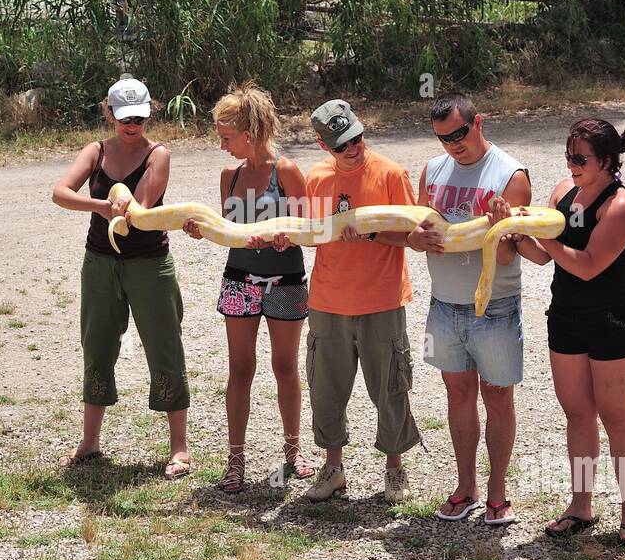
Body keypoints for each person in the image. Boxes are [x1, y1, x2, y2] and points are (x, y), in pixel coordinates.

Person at [51, 76, 192, 479]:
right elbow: (60, 192)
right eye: (125, 117)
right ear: (109, 112)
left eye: (140, 118)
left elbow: (143, 208)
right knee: (96, 346)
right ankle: (90, 443)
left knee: (164, 346)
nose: (133, 125)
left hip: (149, 264)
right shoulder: (95, 151)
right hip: (99, 264)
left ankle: (179, 448)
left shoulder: (158, 154)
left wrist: (122, 206)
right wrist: (101, 205)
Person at [514, 118, 625, 544]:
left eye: (580, 158)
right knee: (577, 415)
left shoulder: (621, 205)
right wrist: (510, 231)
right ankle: (581, 505)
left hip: (615, 320)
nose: (571, 164)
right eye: (568, 155)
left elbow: (587, 265)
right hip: (567, 316)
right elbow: (540, 256)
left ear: (607, 161)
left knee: (615, 416)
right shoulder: (561, 192)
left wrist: (543, 238)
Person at [182, 82, 314, 492]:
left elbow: (308, 230)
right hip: (239, 279)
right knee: (240, 369)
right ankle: (235, 460)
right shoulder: (230, 176)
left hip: (285, 280)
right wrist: (200, 231)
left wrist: (286, 237)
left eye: (226, 138)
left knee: (285, 367)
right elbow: (228, 230)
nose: (222, 146)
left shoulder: (287, 171)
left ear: (250, 133)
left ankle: (293, 452)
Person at [415, 93, 531, 524]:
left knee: (498, 397)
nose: (452, 145)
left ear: (478, 122)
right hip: (443, 304)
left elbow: (508, 256)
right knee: (458, 395)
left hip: (495, 307)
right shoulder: (431, 170)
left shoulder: (510, 175)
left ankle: (498, 493)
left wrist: (502, 230)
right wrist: (415, 237)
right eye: (443, 138)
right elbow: (421, 230)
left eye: (459, 134)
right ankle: (466, 488)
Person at [301, 99, 424, 505]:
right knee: (326, 388)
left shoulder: (391, 173)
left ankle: (394, 470)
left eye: (356, 137)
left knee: (390, 387)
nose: (353, 147)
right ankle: (333, 468)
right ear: (323, 145)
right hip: (327, 300)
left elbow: (413, 235)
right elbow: (313, 233)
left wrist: (371, 233)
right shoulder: (316, 179)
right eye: (342, 144)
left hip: (381, 299)